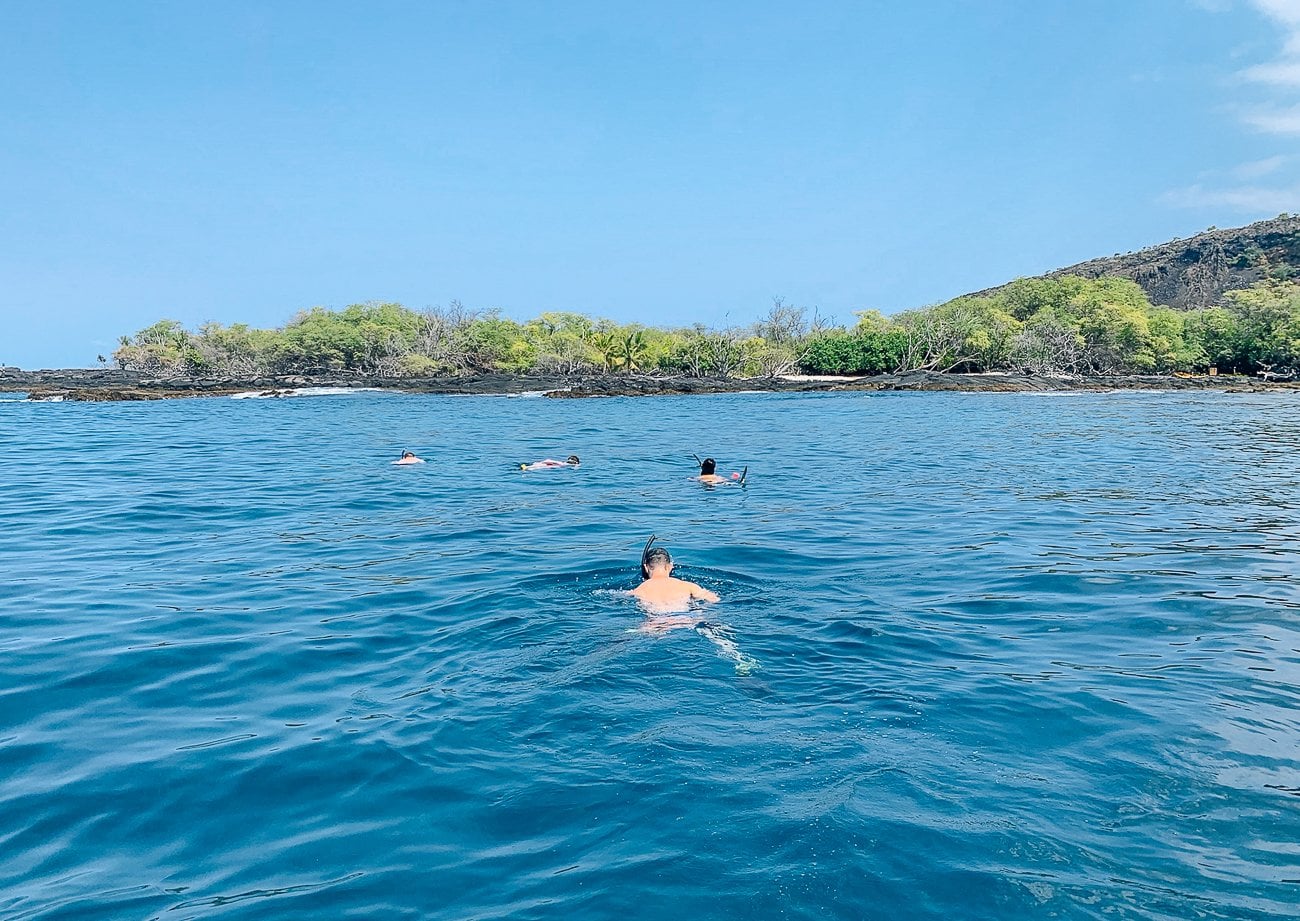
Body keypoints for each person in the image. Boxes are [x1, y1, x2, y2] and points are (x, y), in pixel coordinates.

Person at [631, 544, 719, 615]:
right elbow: (714, 599)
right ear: (670, 566)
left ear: (646, 568)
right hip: (684, 619)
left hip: (655, 622)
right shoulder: (688, 586)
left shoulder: (639, 590)